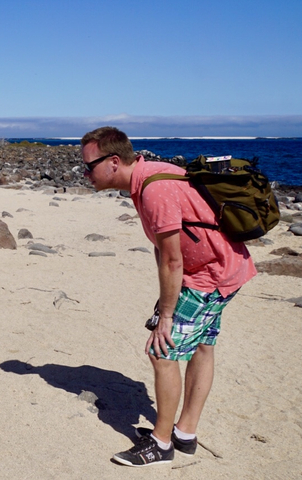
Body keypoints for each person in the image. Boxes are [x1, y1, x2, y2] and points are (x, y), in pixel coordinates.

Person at [79, 126, 256, 467]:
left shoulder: (154, 189)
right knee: (202, 345)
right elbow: (166, 250)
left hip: (209, 275)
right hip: (226, 267)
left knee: (162, 351)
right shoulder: (147, 176)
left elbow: (173, 259)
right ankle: (185, 434)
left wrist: (168, 315)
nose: (86, 173)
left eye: (89, 165)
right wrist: (165, 302)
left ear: (114, 162)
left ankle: (161, 444)